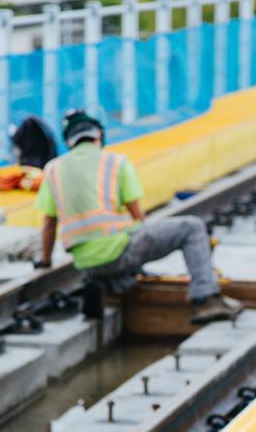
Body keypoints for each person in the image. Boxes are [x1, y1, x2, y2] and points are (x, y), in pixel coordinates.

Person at [34, 109, 243, 325]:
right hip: (118, 253)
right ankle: (205, 298)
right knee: (192, 227)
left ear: (69, 141)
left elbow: (49, 223)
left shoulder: (53, 169)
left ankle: (108, 284)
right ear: (98, 136)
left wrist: (45, 262)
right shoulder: (115, 162)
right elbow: (138, 218)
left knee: (124, 257)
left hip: (86, 263)